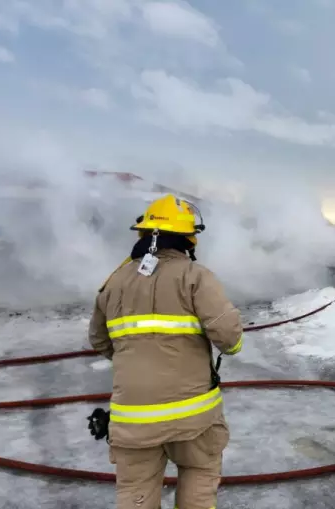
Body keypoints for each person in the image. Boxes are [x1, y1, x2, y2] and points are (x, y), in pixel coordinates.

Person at [88, 194, 244, 509]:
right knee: (200, 476)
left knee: (136, 496)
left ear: (143, 234)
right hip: (195, 417)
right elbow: (230, 339)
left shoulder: (114, 282)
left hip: (133, 420)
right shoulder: (195, 276)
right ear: (188, 238)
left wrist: (138, 359)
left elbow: (99, 341)